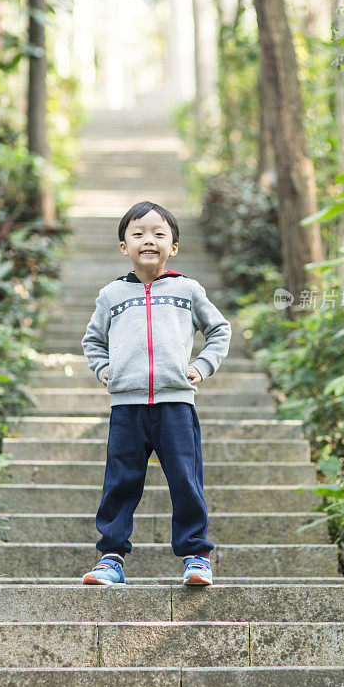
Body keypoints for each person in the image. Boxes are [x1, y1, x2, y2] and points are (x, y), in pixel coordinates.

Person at [80, 200, 232, 586]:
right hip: (127, 406)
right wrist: (104, 369)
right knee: (121, 481)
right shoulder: (111, 295)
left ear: (174, 247)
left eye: (159, 233)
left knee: (185, 479)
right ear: (123, 246)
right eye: (138, 233)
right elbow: (93, 341)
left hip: (176, 404)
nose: (149, 240)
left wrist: (201, 366)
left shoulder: (187, 290)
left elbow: (219, 330)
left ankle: (196, 556)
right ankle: (110, 558)